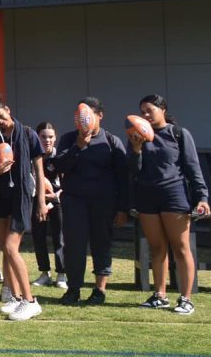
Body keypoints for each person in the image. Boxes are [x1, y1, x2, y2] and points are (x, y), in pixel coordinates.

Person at [131, 93, 211, 316]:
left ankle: (186, 299)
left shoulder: (179, 133)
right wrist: (136, 151)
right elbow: (132, 172)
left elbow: (193, 168)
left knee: (181, 248)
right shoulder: (137, 135)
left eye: (150, 110)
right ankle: (160, 295)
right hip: (147, 197)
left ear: (162, 109)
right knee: (157, 248)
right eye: (142, 111)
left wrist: (201, 197)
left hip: (174, 195)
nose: (145, 115)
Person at [51, 100, 127, 306]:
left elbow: (123, 176)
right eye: (79, 115)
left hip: (104, 202)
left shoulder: (111, 141)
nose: (83, 120)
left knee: (102, 244)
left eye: (88, 115)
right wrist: (78, 146)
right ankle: (73, 289)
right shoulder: (69, 139)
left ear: (99, 115)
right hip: (74, 201)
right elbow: (58, 165)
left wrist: (122, 208)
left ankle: (99, 290)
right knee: (74, 246)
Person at [0, 90, 45, 320]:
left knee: (11, 247)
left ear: (8, 110)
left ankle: (30, 300)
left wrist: (42, 201)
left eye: (0, 115)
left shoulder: (27, 134)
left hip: (22, 196)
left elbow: (38, 167)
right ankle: (15, 297)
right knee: (5, 247)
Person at [32, 121, 67, 291]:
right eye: (43, 136)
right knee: (39, 237)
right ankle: (44, 273)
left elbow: (67, 181)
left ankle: (62, 274)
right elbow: (31, 181)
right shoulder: (33, 156)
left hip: (57, 201)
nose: (47, 140)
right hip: (38, 201)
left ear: (55, 138)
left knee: (59, 237)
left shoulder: (60, 156)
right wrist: (42, 196)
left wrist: (56, 195)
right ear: (37, 137)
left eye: (50, 137)